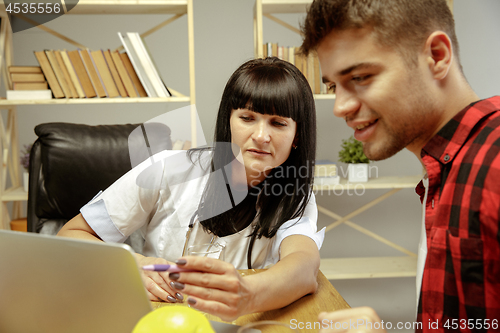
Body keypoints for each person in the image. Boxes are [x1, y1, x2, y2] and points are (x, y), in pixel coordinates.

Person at [57, 57, 324, 321]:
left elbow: (304, 267)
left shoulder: (296, 196)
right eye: (247, 118)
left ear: (297, 135)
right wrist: (131, 266)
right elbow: (71, 235)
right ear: (228, 121)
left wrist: (246, 294)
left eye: (278, 123)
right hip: (154, 319)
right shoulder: (165, 169)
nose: (261, 136)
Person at [300, 0, 500, 332]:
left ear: (436, 55)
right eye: (334, 86)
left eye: (361, 77)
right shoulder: (445, 168)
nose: (340, 107)